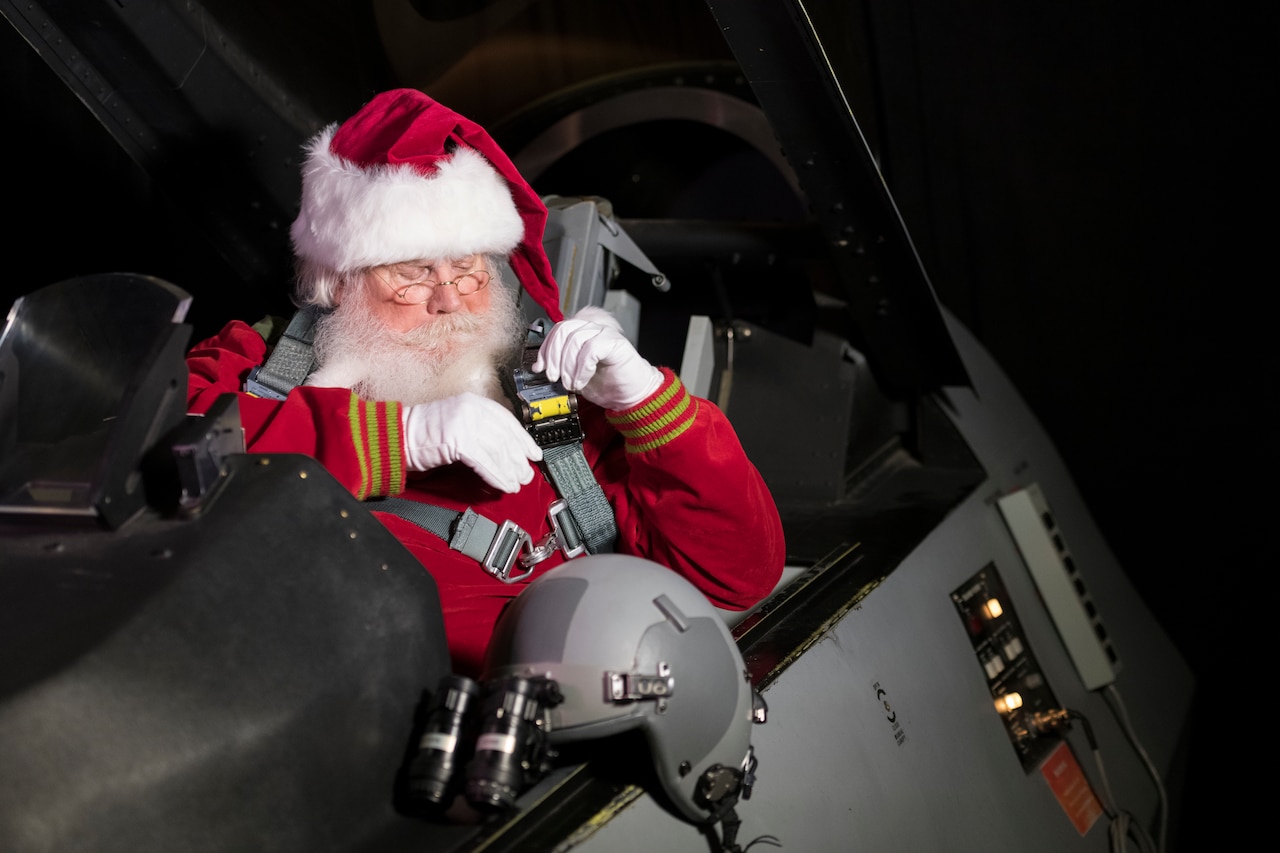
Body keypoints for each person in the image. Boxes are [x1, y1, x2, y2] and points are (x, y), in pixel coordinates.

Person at [186, 88, 785, 676]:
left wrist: (649, 406)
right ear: (339, 281)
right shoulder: (257, 365)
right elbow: (154, 452)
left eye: (468, 268)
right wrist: (397, 439)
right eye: (411, 272)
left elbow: (738, 575)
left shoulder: (551, 394)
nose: (449, 300)